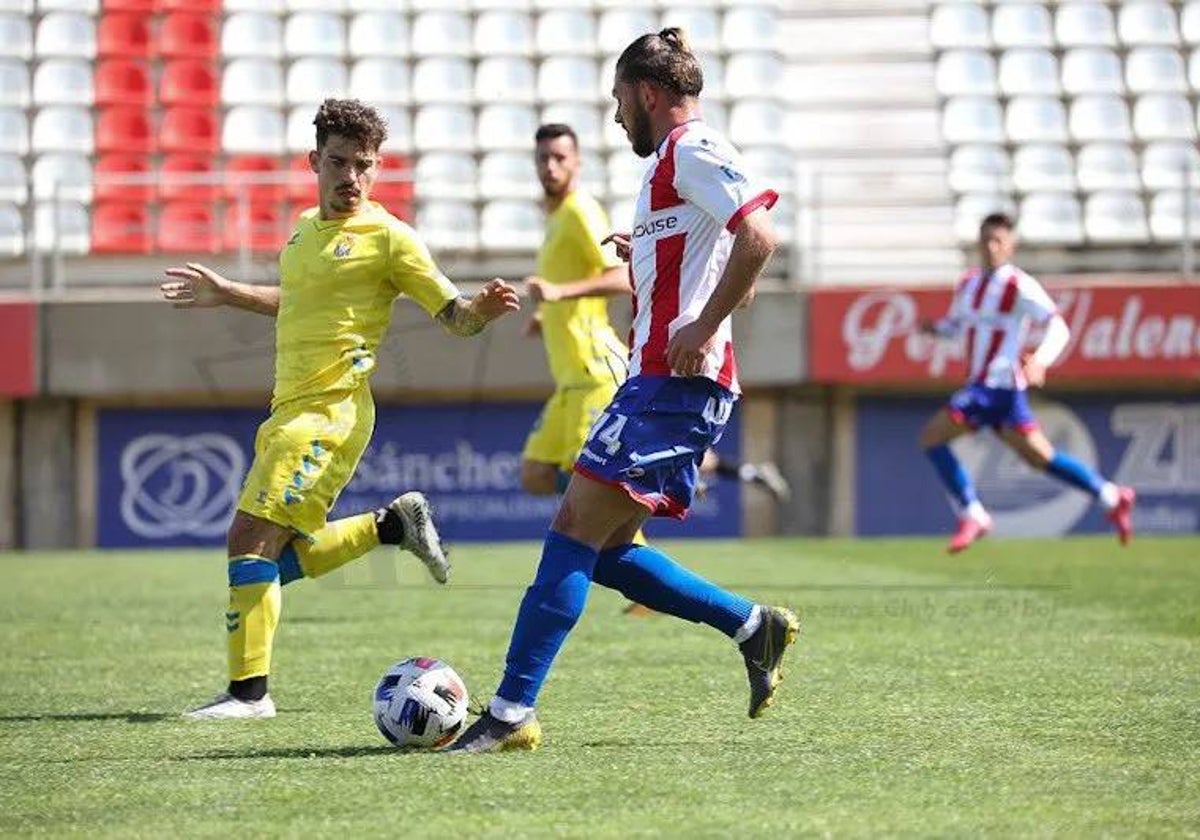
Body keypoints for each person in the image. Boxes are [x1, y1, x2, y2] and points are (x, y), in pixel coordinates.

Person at [448, 29, 798, 754]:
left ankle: (510, 713)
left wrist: (702, 320)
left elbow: (759, 237)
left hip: (674, 385)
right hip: (657, 382)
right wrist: (654, 262)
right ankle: (750, 625)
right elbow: (730, 257)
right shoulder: (673, 166)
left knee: (573, 528)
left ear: (645, 93)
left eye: (617, 102)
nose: (615, 118)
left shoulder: (690, 150)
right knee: (602, 549)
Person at [160, 99, 520, 720]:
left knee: (248, 538)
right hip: (288, 410)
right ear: (314, 163)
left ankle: (250, 695)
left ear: (377, 171)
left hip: (330, 414)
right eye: (339, 162)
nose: (351, 177)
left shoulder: (390, 238)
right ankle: (389, 526)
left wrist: (480, 311)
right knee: (267, 559)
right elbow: (298, 301)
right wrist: (226, 294)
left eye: (365, 165)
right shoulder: (303, 229)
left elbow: (455, 316)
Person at [919, 212, 1135, 554]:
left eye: (998, 241)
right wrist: (936, 329)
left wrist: (1040, 360)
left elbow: (1058, 326)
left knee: (932, 437)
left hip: (997, 385)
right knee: (1040, 457)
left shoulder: (1018, 285)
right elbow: (959, 326)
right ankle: (1110, 495)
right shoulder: (968, 283)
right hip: (986, 386)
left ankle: (974, 513)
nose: (991, 247)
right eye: (986, 240)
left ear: (1011, 246)